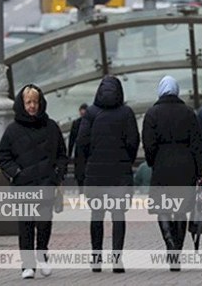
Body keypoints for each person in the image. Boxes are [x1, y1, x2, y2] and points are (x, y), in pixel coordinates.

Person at [0, 84, 67, 280]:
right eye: (28, 102)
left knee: (44, 224)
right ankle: (27, 265)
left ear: (41, 103)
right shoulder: (12, 130)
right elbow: (2, 156)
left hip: (46, 184)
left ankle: (42, 256)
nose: (32, 106)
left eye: (35, 102)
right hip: (23, 185)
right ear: (22, 104)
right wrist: (16, 173)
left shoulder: (51, 127)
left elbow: (62, 154)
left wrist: (57, 174)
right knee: (25, 226)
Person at [142, 76, 202, 272]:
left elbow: (148, 143)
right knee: (180, 210)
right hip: (186, 165)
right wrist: (200, 171)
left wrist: (153, 161)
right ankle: (177, 250)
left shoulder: (152, 113)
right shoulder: (188, 113)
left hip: (162, 164)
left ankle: (169, 242)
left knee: (163, 208)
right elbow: (197, 143)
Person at [77, 76, 139, 273]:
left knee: (97, 215)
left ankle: (96, 259)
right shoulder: (126, 113)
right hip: (119, 173)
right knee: (118, 215)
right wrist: (125, 160)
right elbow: (132, 142)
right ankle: (117, 260)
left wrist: (88, 165)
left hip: (96, 174)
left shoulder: (91, 113)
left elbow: (82, 143)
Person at [67, 103, 88, 190]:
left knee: (80, 173)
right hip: (84, 152)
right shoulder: (91, 122)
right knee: (82, 173)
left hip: (81, 152)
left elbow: (72, 139)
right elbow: (72, 139)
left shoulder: (76, 123)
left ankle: (82, 191)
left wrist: (69, 154)